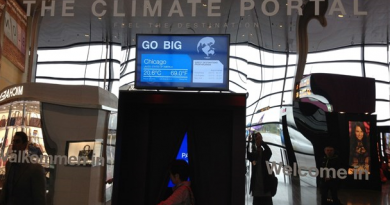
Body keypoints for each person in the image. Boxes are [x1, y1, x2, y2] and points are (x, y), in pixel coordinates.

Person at [0, 131, 46, 205]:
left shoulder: (36, 169)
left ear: (24, 145)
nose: (14, 144)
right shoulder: (9, 164)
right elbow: (6, 187)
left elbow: (39, 198)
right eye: (13, 141)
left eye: (17, 142)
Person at [247, 132, 273, 205]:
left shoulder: (265, 154)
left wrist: (261, 142)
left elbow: (269, 151)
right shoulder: (254, 155)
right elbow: (248, 155)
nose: (258, 141)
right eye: (256, 139)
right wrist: (249, 142)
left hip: (266, 190)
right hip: (257, 191)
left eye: (259, 139)